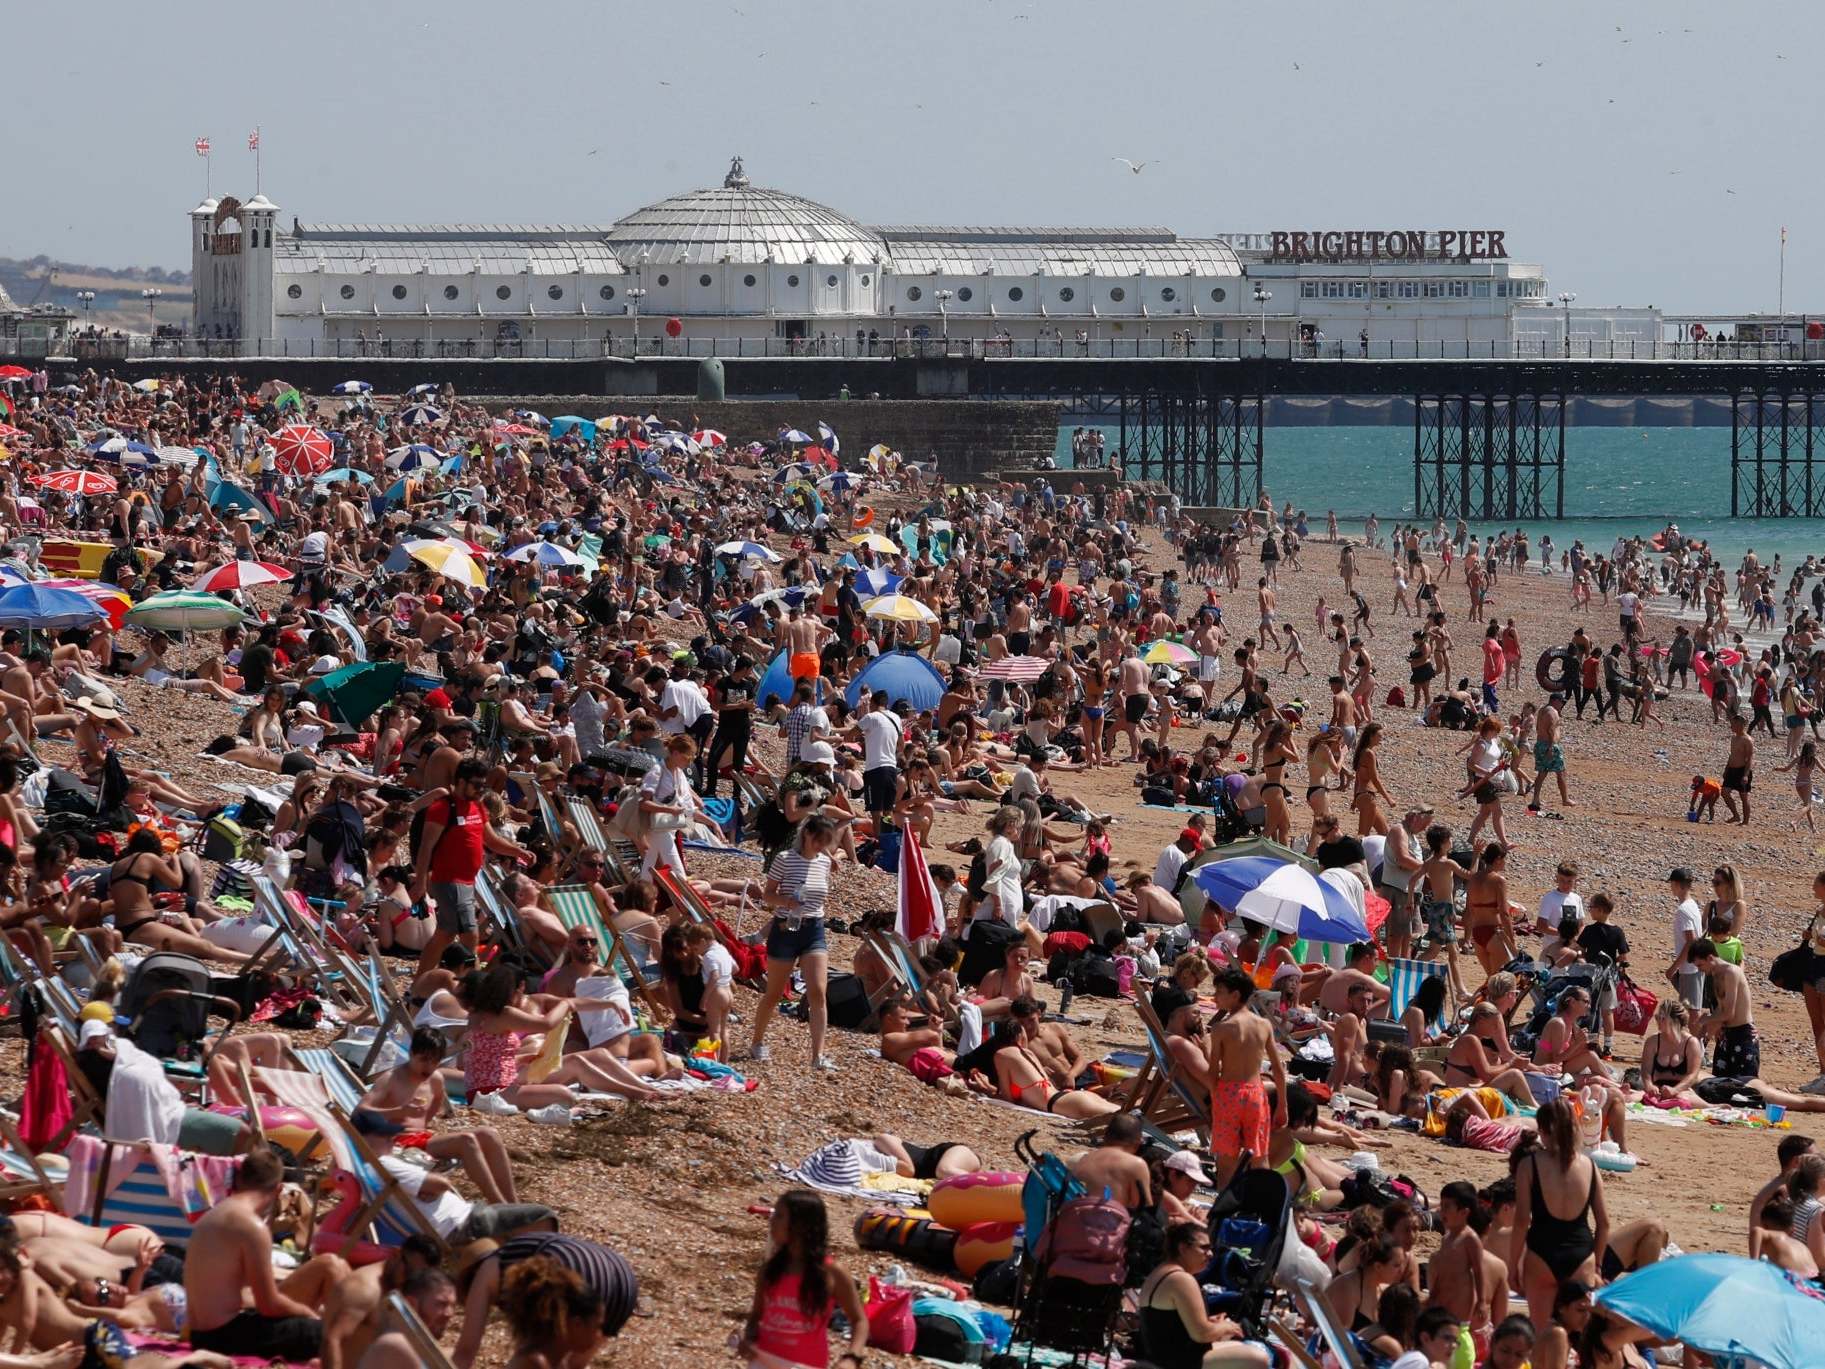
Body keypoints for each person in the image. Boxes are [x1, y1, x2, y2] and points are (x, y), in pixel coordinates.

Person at [185, 1147, 348, 1361]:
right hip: (224, 1337)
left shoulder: (211, 1216)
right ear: (278, 1188)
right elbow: (268, 1305)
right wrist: (309, 1315)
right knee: (331, 1335)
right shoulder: (251, 1226)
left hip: (202, 1333)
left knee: (328, 1264)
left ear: (239, 1180)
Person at [352, 1108, 557, 1242]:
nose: (391, 1139)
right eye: (384, 1135)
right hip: (464, 1225)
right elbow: (441, 1184)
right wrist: (433, 1186)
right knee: (544, 1216)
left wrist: (425, 1187)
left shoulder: (371, 1169)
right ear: (363, 1140)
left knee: (528, 1222)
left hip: (461, 1220)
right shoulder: (384, 1165)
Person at [451, 1233, 640, 1369]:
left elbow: (465, 1353)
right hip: (624, 1280)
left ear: (470, 1276)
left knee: (535, 1358)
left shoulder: (488, 1270)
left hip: (571, 1269)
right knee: (571, 1364)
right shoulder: (521, 1252)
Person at [748, 815, 841, 1072]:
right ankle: (757, 1041)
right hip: (785, 928)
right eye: (819, 840)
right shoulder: (785, 859)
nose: (822, 846)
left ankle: (818, 1055)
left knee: (818, 992)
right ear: (807, 834)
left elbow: (820, 896)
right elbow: (767, 894)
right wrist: (786, 902)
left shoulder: (824, 861)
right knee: (774, 993)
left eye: (826, 842)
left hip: (814, 928)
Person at [738, 1190, 868, 1369]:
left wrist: (851, 1358)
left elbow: (859, 1320)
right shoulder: (770, 1269)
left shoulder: (831, 1272)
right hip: (763, 1361)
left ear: (801, 1225)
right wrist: (749, 1339)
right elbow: (756, 1316)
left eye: (780, 1216)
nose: (772, 1221)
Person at [1509, 1098, 1608, 1325]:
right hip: (1581, 1256)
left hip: (1541, 1254)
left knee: (1541, 1331)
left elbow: (1522, 1220)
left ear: (1542, 1131)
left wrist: (1513, 1265)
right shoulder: (1589, 1166)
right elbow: (1604, 1223)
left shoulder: (1530, 1164)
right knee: (1578, 1336)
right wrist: (1599, 1266)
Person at [1134, 1223, 1270, 1368]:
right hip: (1177, 1362)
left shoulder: (1161, 1272)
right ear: (1183, 1248)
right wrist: (1227, 1327)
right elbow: (1201, 1334)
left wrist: (1211, 1323)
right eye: (1204, 1248)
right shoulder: (1181, 1279)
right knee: (1259, 1357)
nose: (1210, 1254)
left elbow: (1169, 1323)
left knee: (1241, 1346)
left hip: (1163, 1355)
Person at [1205, 967, 1287, 1187]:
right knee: (1260, 1157)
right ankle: (1260, 1206)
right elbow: (1278, 1070)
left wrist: (1215, 1097)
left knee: (1226, 1161)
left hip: (1228, 1093)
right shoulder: (1264, 1025)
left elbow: (1213, 1072)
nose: (1214, 996)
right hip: (1255, 1093)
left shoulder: (1221, 1028)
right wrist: (1282, 1106)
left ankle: (1224, 1207)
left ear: (1235, 995)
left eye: (1219, 991)